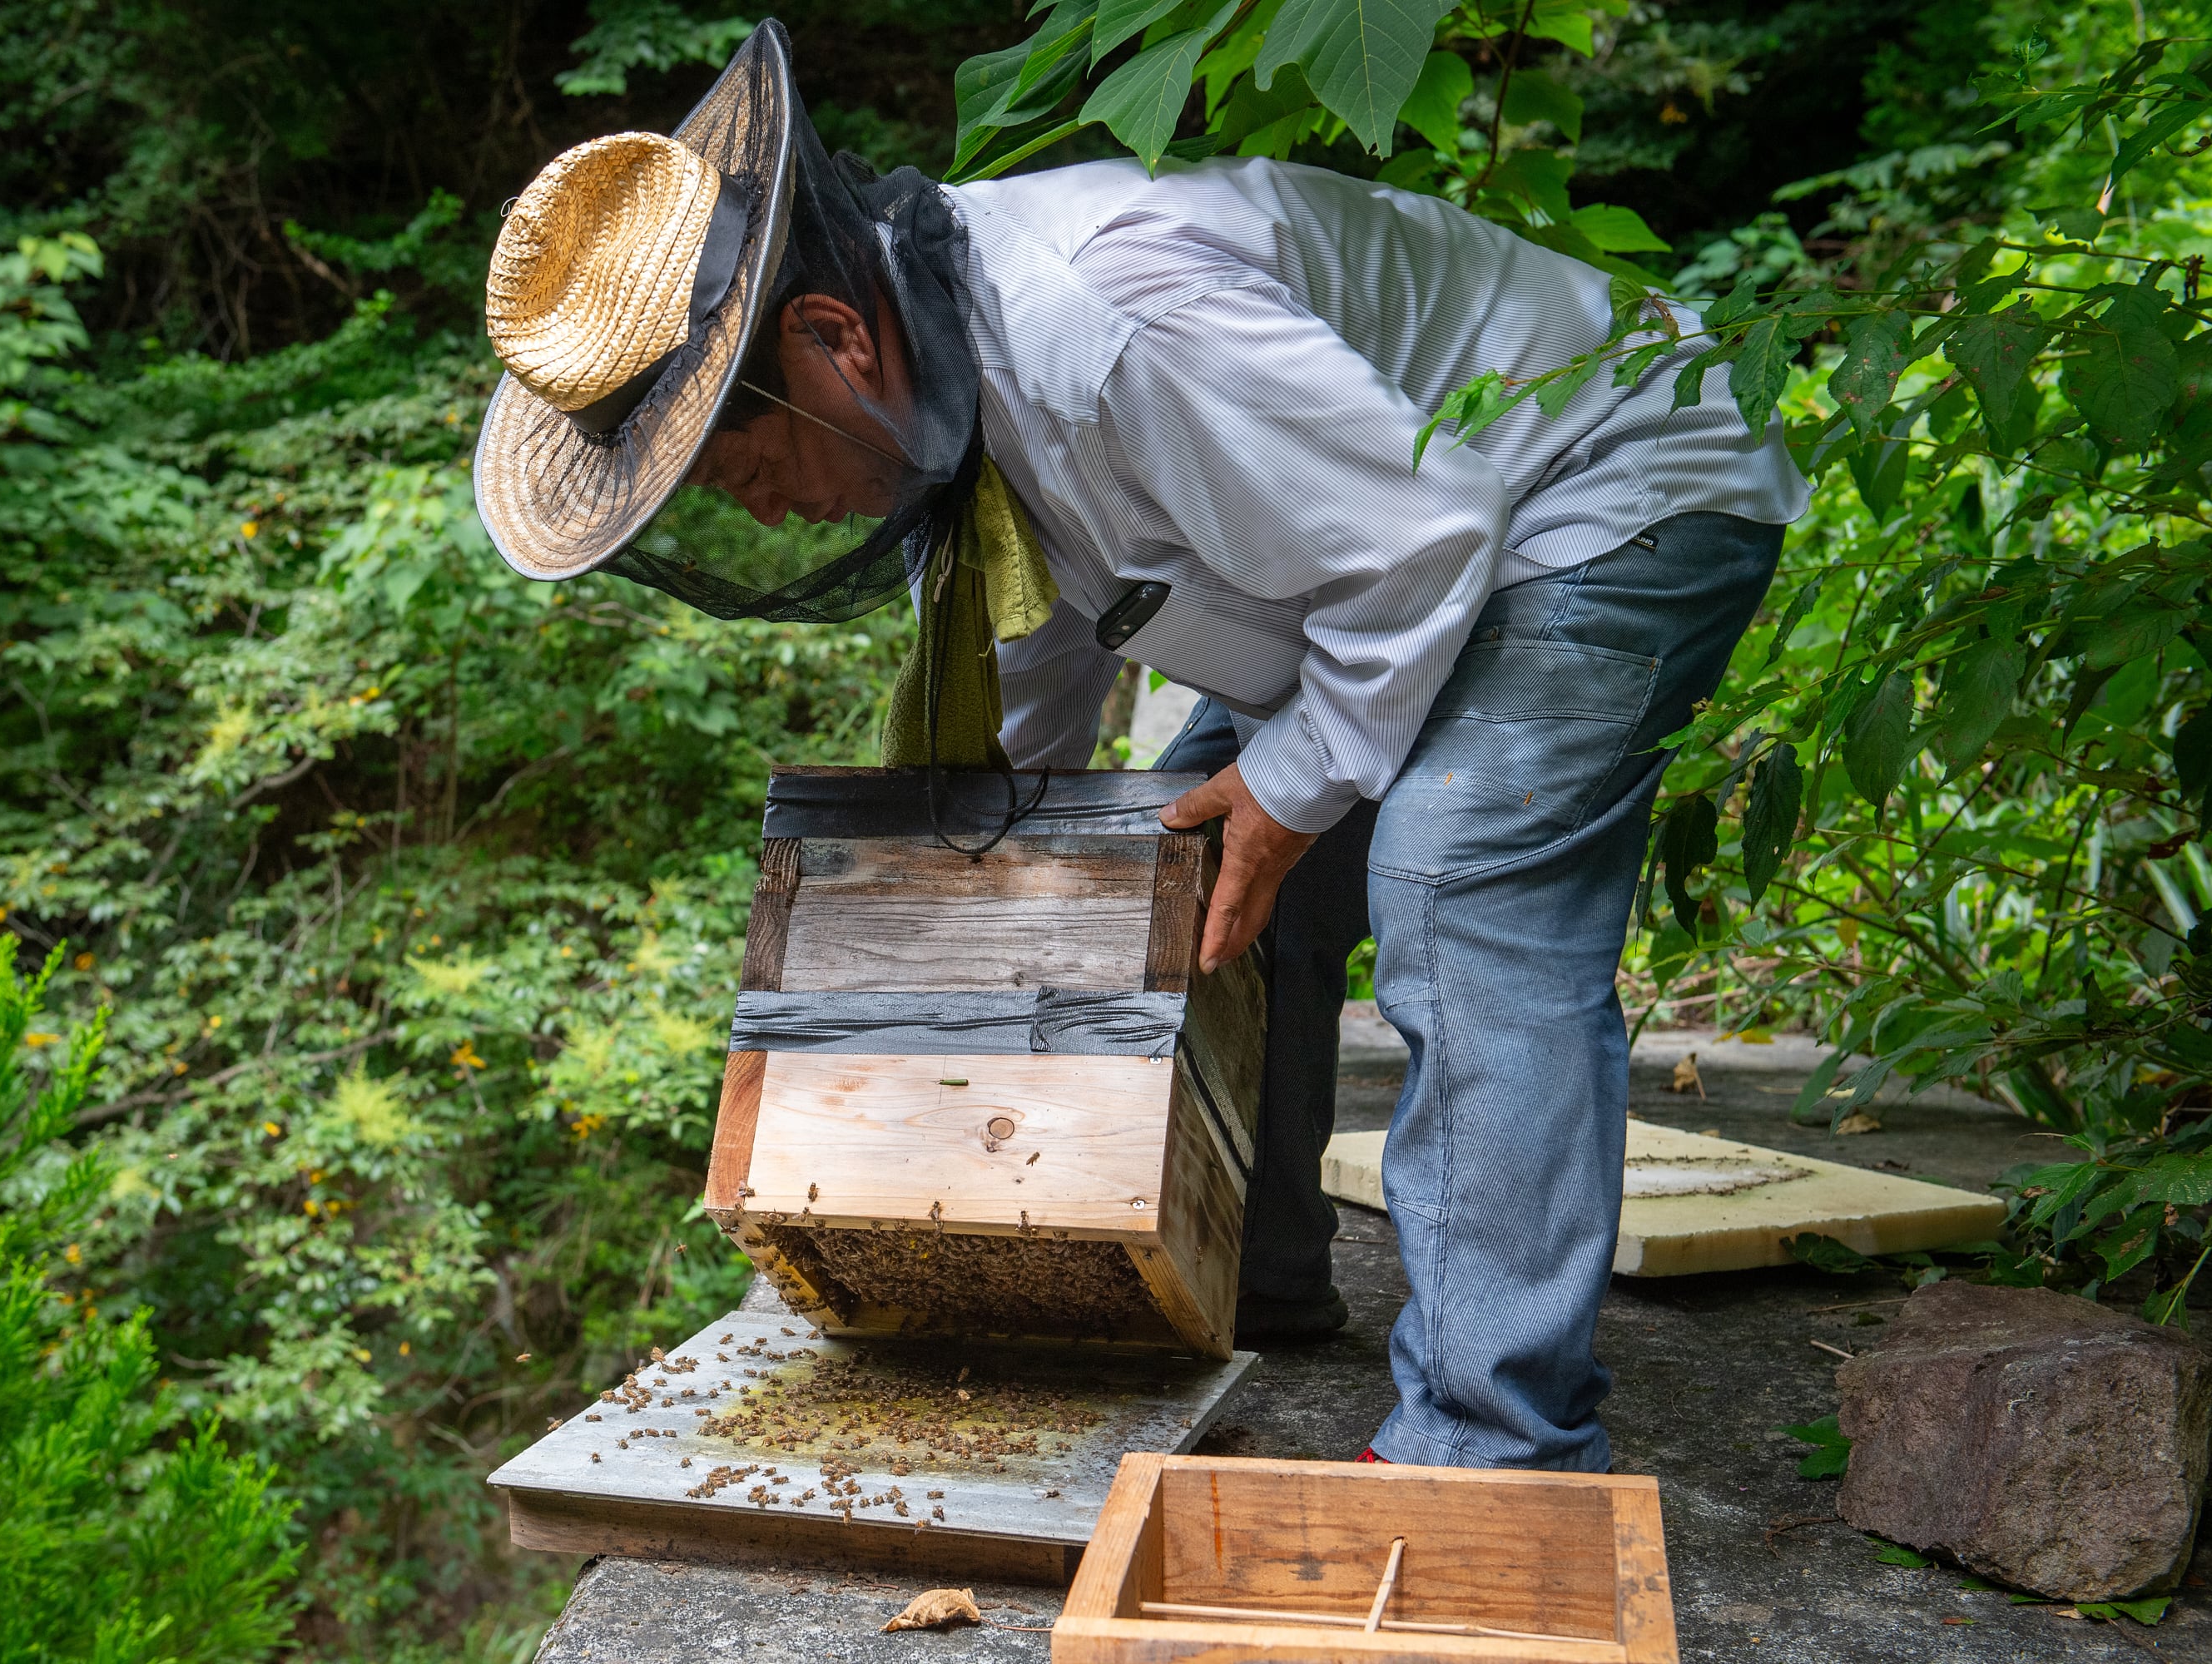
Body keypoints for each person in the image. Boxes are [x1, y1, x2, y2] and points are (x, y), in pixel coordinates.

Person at [469, 22, 1807, 1472]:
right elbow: (1037, 648)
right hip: (1373, 558)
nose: (773, 515)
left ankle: (1496, 1446)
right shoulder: (945, 374)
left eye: (751, 465)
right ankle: (1255, 1278)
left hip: (1606, 482)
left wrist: (1292, 788)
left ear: (832, 340)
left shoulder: (1104, 326)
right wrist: (1019, 859)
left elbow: (1427, 539)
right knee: (1185, 855)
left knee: (1452, 878)